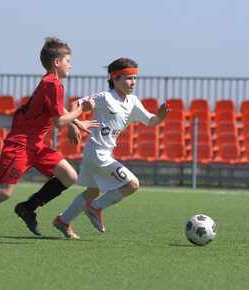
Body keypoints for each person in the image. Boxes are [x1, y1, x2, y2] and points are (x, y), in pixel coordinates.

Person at [0, 37, 99, 243]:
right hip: (20, 144)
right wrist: (81, 110)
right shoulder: (53, 84)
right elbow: (59, 121)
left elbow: (58, 111)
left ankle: (28, 208)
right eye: (68, 60)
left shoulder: (50, 83)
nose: (70, 65)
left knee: (69, 176)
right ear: (56, 62)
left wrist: (77, 123)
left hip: (36, 146)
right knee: (4, 193)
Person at [52, 57, 170, 239]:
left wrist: (160, 117)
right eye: (128, 78)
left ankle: (63, 220)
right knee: (132, 184)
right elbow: (75, 104)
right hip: (98, 153)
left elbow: (151, 121)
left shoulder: (133, 102)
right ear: (115, 79)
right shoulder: (105, 97)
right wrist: (73, 125)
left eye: (135, 78)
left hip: (97, 153)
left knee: (92, 191)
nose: (133, 83)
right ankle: (95, 207)